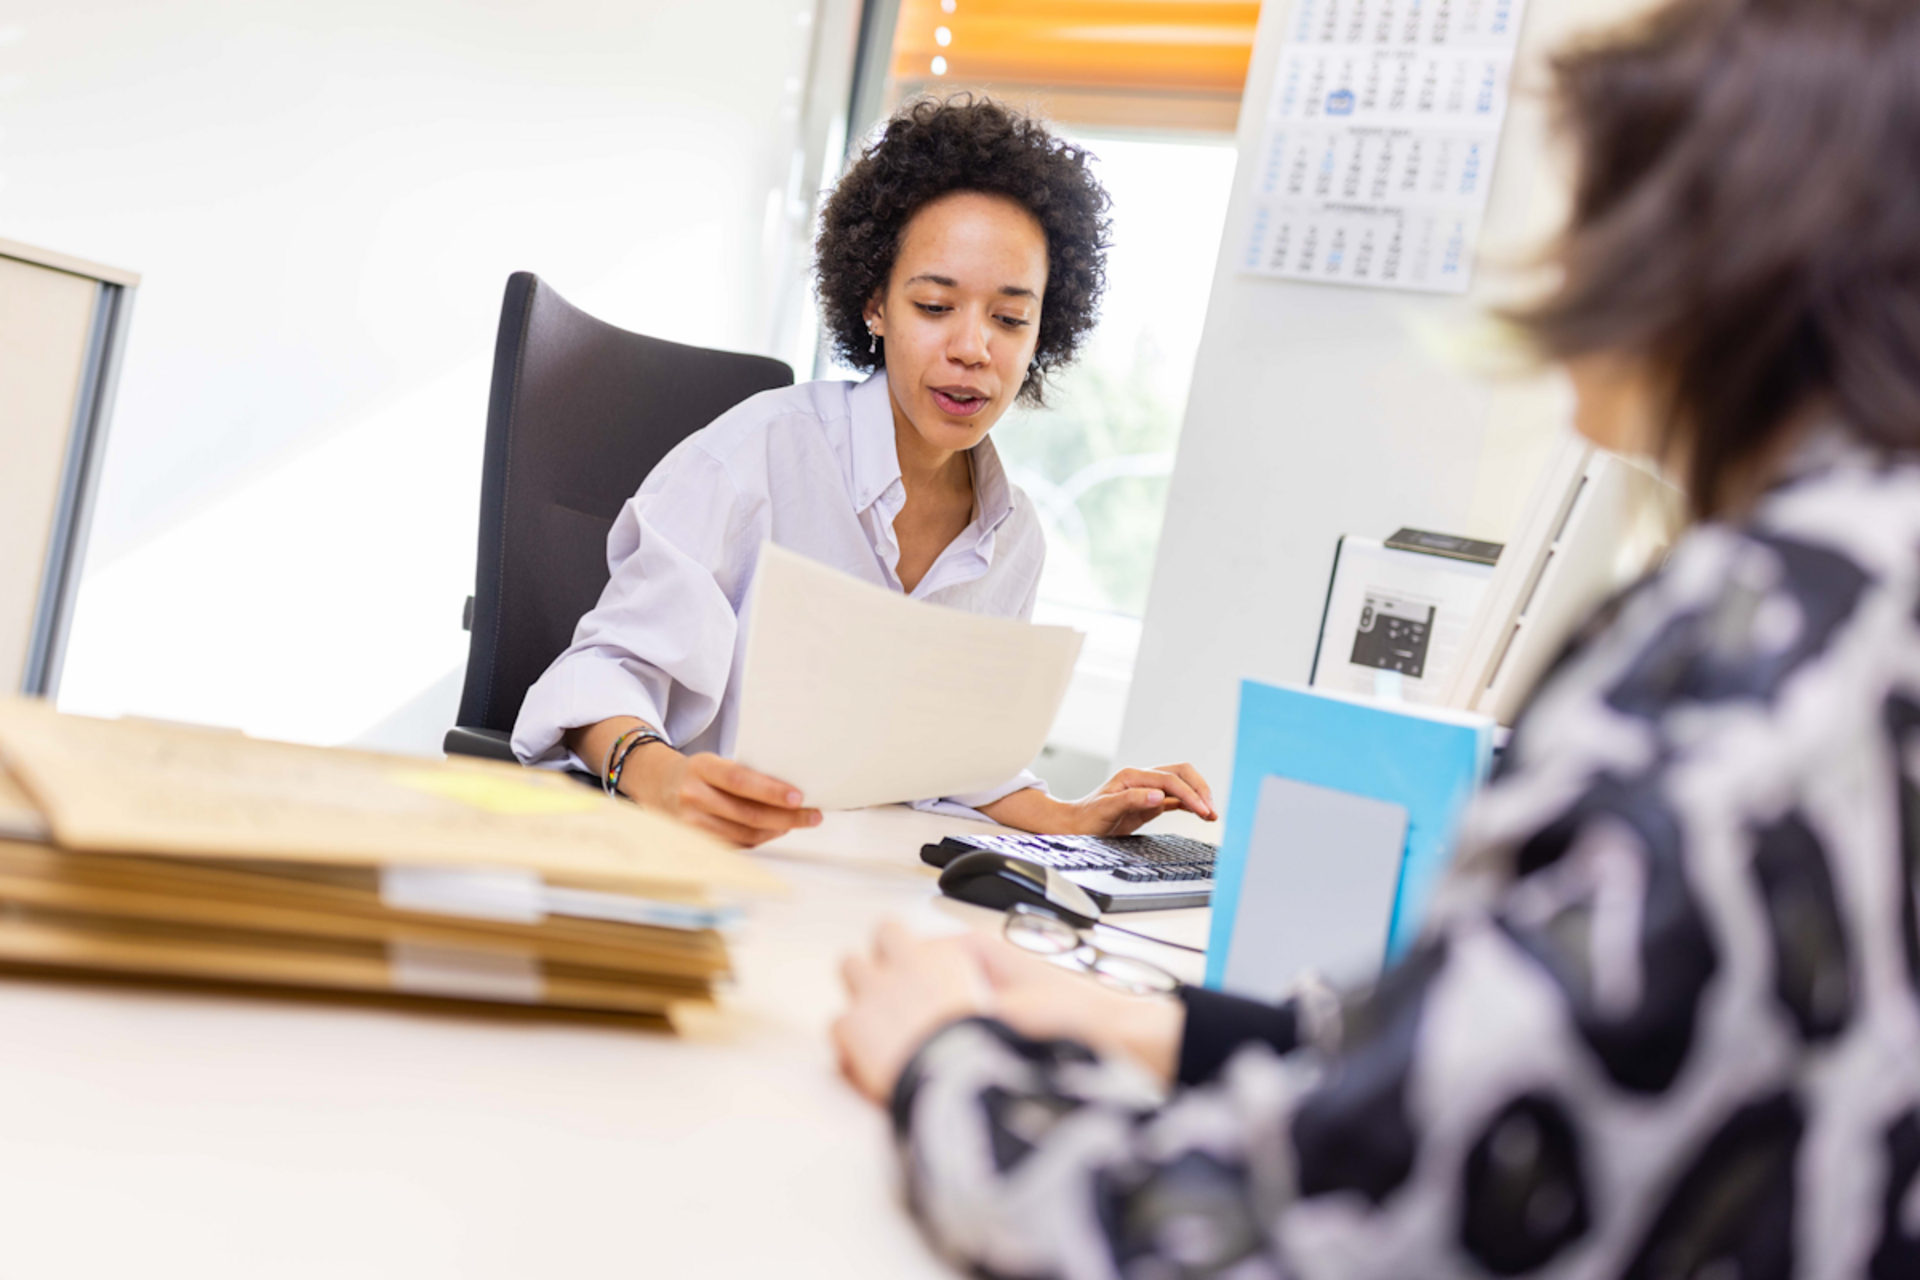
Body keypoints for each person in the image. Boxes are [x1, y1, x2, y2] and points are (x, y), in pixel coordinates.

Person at [832, 0, 1920, 1274]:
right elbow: (1517, 1052)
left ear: (1726, 246)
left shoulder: (1755, 656)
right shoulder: (1859, 589)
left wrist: (944, 1060)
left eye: (1592, 204)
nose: (1559, 262)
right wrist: (1186, 1031)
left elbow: (1298, 1228)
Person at [511, 96, 1216, 847]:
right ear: (875, 304)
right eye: (937, 305)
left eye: (1011, 319)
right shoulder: (757, 455)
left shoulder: (1012, 537)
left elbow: (955, 764)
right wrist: (664, 778)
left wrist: (1078, 818)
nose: (974, 348)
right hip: (688, 861)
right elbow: (604, 672)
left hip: (853, 881)